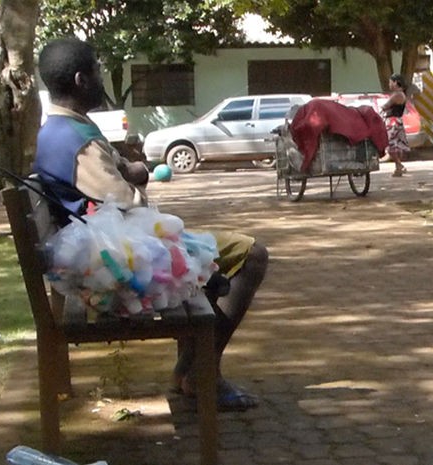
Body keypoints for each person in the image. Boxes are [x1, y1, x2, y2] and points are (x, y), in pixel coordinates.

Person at [33, 37, 268, 412]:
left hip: (99, 253)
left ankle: (189, 369)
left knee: (210, 258)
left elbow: (107, 185)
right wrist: (136, 183)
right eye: (96, 71)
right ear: (81, 79)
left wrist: (127, 170)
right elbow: (127, 208)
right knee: (251, 253)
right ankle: (200, 373)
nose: (100, 79)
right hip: (114, 265)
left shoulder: (57, 131)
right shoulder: (78, 142)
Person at [381, 73, 410, 177]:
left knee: (391, 145)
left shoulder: (397, 95)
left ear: (396, 83)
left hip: (392, 122)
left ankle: (399, 165)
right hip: (398, 121)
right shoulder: (402, 94)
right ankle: (398, 168)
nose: (389, 84)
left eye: (390, 82)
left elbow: (384, 106)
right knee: (398, 145)